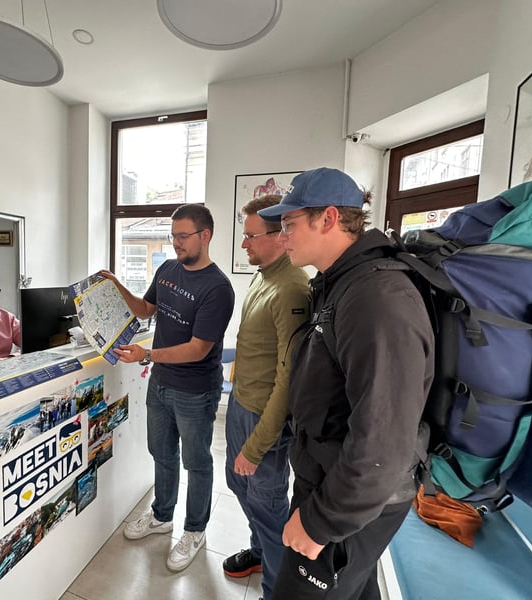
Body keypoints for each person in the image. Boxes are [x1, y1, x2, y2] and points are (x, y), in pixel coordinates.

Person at [257, 168, 434, 599]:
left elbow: (384, 437)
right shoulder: (342, 283)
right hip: (335, 482)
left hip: (350, 500)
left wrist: (322, 521)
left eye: (290, 224)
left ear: (329, 218)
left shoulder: (377, 296)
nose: (283, 238)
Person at [100, 204, 235, 573]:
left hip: (195, 390)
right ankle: (162, 516)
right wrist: (115, 285)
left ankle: (195, 530)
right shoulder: (168, 269)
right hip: (160, 384)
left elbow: (198, 348)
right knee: (161, 452)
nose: (176, 243)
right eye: (173, 235)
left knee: (196, 462)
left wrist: (147, 354)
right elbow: (145, 309)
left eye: (182, 236)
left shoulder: (218, 287)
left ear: (204, 236)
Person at [223, 194, 310, 600]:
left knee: (268, 505)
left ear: (280, 236)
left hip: (264, 420)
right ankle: (260, 553)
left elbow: (288, 381)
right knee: (240, 488)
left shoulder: (292, 288)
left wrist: (257, 447)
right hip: (242, 407)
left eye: (251, 237)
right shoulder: (264, 274)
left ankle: (276, 589)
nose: (244, 245)